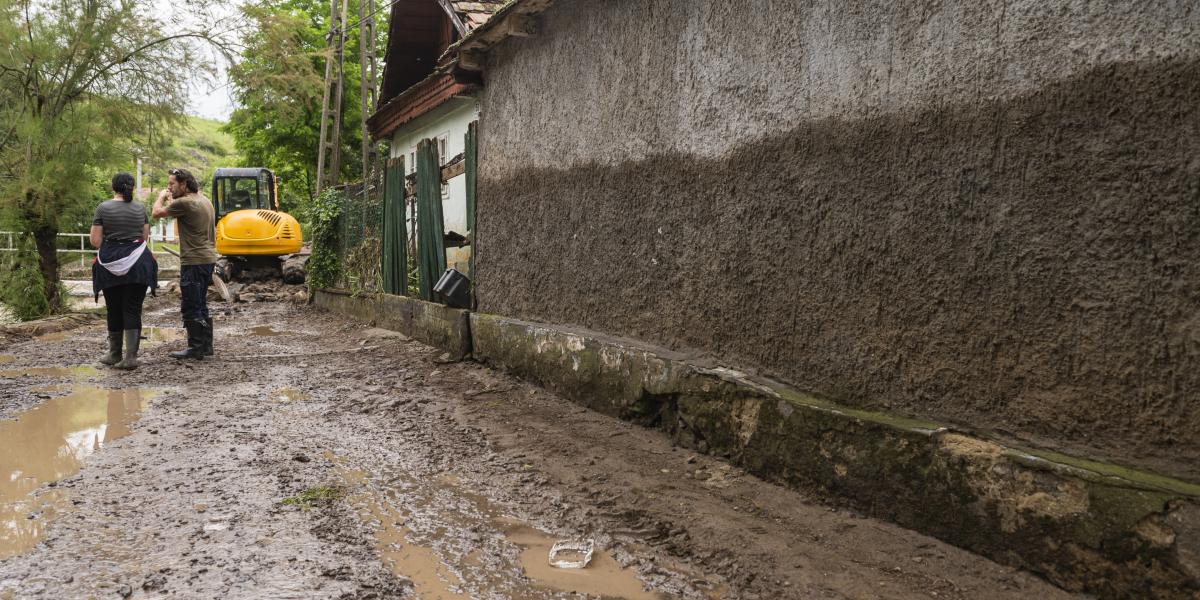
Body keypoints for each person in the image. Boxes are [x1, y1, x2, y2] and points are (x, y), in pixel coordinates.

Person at [91, 172, 158, 369]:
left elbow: (95, 241)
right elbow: (143, 237)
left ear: (113, 188)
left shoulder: (103, 208)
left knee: (114, 308)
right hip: (138, 263)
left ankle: (114, 353)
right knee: (132, 308)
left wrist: (112, 242)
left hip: (110, 263)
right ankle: (131, 357)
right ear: (132, 188)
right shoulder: (140, 208)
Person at [151, 168, 216, 359]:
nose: (169, 188)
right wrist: (172, 198)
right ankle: (206, 346)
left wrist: (161, 197)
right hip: (207, 259)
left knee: (190, 304)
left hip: (193, 261)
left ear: (184, 184)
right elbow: (178, 208)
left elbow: (156, 213)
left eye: (172, 184)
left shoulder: (185, 202)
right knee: (201, 302)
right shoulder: (203, 200)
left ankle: (195, 347)